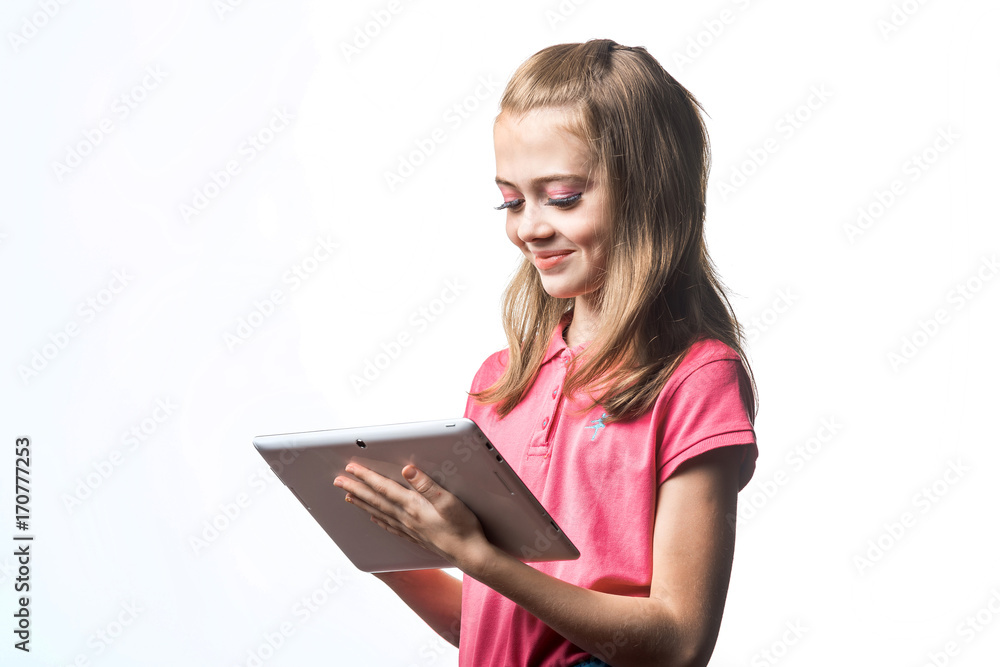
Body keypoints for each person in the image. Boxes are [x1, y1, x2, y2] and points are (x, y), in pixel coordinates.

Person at [333, 38, 759, 667]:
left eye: (562, 197)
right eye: (511, 199)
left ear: (650, 192)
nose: (528, 226)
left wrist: (480, 556)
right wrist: (390, 550)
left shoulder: (694, 378)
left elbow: (679, 641)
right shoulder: (500, 382)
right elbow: (493, 628)